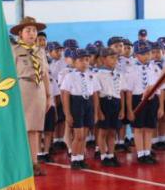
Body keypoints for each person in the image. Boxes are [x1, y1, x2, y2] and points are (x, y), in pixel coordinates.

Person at [10, 17, 53, 176]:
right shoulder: (14, 50)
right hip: (21, 88)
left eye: (34, 30)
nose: (32, 33)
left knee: (34, 129)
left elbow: (45, 74)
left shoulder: (40, 51)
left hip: (38, 89)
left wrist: (48, 95)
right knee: (21, 129)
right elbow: (8, 74)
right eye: (28, 30)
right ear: (20, 33)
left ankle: (34, 163)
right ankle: (19, 164)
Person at [123, 40, 163, 164]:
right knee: (138, 128)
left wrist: (161, 106)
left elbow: (160, 89)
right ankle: (141, 154)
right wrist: (130, 110)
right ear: (136, 55)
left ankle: (147, 152)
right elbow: (129, 92)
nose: (147, 55)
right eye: (143, 53)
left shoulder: (155, 68)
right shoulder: (131, 69)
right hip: (137, 100)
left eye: (148, 53)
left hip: (152, 100)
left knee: (149, 128)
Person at [60, 49, 100, 169]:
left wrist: (95, 112)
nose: (84, 62)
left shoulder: (92, 75)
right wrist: (67, 114)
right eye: (81, 60)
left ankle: (81, 158)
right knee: (78, 135)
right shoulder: (69, 76)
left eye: (87, 60)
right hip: (76, 104)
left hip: (88, 104)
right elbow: (65, 95)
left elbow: (95, 95)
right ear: (74, 62)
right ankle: (74, 158)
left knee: (84, 136)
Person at [94, 48, 123, 167]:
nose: (114, 60)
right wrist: (99, 111)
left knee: (112, 131)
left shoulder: (118, 74)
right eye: (111, 58)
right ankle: (103, 155)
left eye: (116, 58)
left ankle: (111, 155)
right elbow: (96, 94)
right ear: (103, 59)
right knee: (103, 131)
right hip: (104, 102)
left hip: (116, 103)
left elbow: (121, 92)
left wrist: (122, 109)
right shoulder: (98, 74)